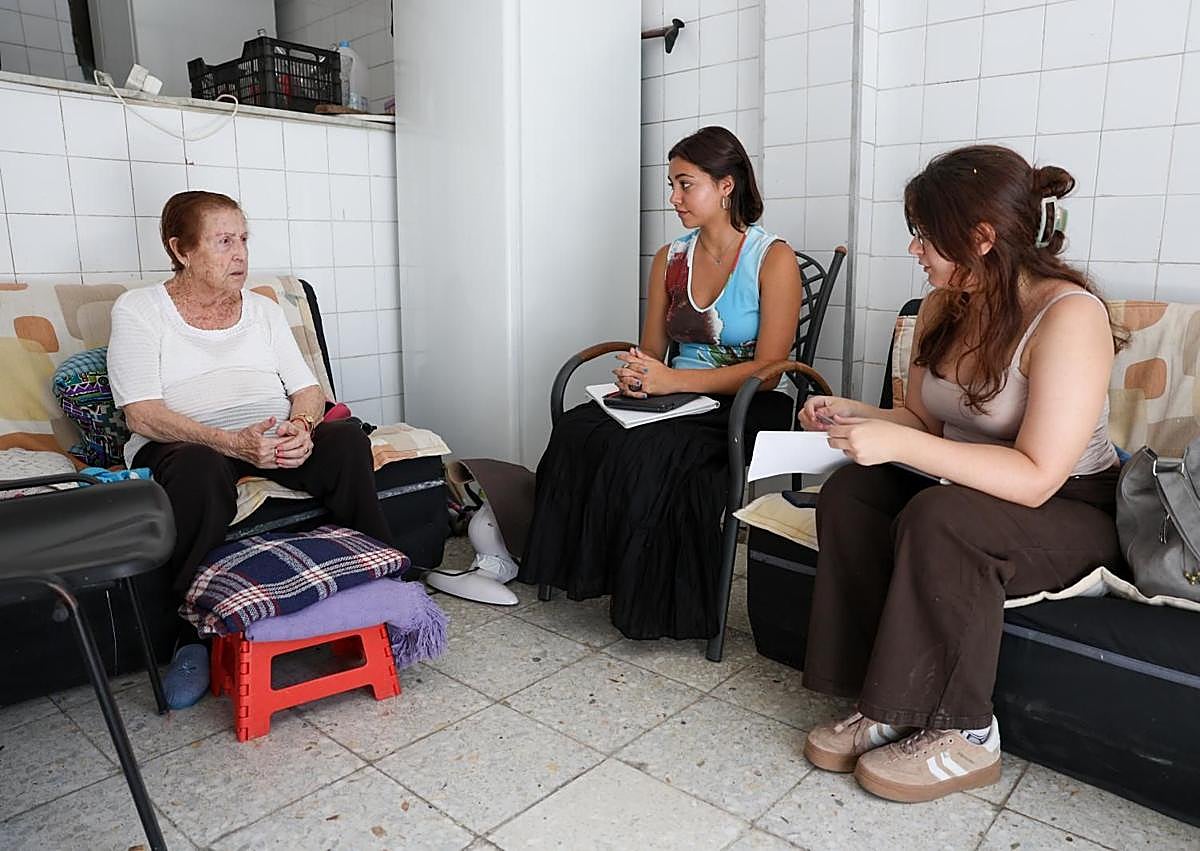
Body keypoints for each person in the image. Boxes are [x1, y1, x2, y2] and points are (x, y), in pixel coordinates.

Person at [796, 145, 1124, 802]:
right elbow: (923, 419)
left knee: (940, 516)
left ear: (979, 238)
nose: (915, 249)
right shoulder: (943, 305)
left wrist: (895, 441)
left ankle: (969, 733)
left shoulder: (1069, 316)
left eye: (926, 235)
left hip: (1071, 508)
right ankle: (888, 702)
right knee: (853, 493)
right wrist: (857, 415)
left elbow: (1035, 476)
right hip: (974, 490)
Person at [107, 190, 393, 707]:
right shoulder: (140, 310)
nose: (240, 253)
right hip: (186, 444)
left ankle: (383, 588)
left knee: (346, 438)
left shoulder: (262, 309)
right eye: (223, 241)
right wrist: (228, 441)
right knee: (197, 469)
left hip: (267, 435)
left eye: (243, 239)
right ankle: (191, 636)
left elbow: (307, 391)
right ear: (181, 249)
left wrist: (302, 425)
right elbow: (141, 413)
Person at [518, 126, 803, 639]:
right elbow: (652, 348)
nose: (674, 198)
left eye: (685, 184)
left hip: (743, 401)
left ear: (726, 185)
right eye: (671, 185)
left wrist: (671, 378)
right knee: (580, 431)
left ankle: (651, 603)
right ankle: (590, 573)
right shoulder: (670, 258)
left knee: (650, 452)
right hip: (677, 392)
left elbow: (770, 369)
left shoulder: (772, 258)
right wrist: (638, 371)